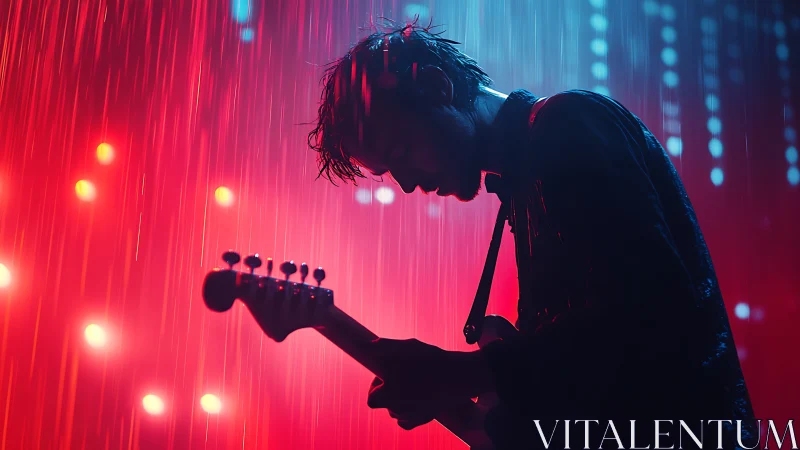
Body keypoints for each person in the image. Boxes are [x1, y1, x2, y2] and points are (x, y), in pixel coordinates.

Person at [307, 22, 755, 448]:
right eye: (388, 172)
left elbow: (647, 312)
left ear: (438, 88)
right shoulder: (527, 177)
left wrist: (461, 373)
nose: (405, 183)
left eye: (401, 152)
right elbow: (591, 364)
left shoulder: (567, 124)